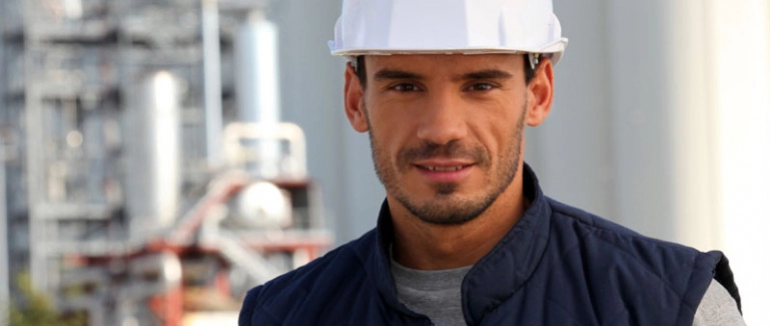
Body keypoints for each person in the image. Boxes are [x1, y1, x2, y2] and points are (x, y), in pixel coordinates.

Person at [239, 0, 744, 325]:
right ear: (356, 99)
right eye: (404, 86)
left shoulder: (669, 306)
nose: (442, 128)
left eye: (480, 85)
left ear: (539, 92)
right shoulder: (283, 316)